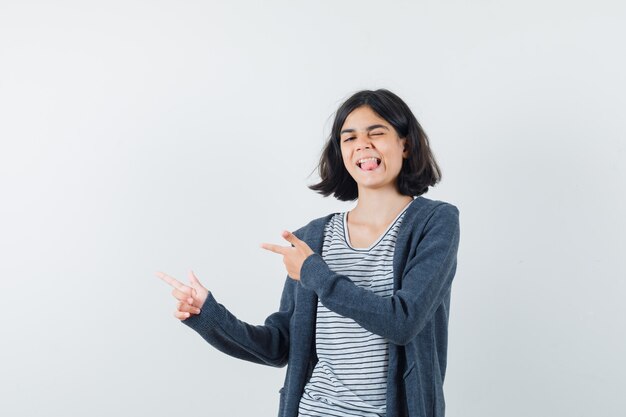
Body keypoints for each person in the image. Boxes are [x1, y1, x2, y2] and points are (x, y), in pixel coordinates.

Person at [156, 89, 461, 417]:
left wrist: (315, 273)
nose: (363, 145)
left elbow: (403, 321)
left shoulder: (435, 222)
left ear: (405, 143)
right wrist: (208, 314)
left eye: (377, 133)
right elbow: (280, 346)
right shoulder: (311, 239)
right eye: (349, 138)